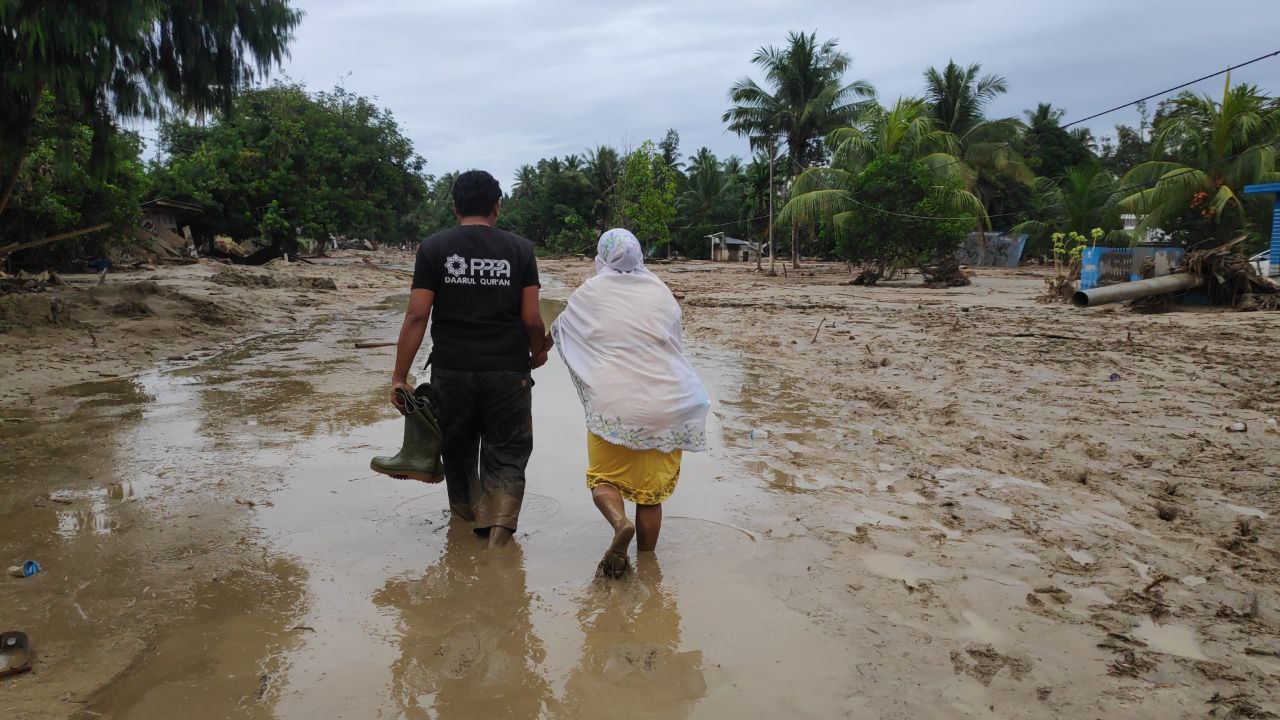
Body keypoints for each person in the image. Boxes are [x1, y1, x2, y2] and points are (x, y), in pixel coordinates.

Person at [390, 170, 550, 548]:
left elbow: (416, 316)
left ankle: (465, 527)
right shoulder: (520, 250)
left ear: (456, 206)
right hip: (508, 373)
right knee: (508, 454)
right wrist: (538, 351)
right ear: (497, 205)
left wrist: (399, 376)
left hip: (452, 372)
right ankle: (497, 534)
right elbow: (531, 318)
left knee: (458, 452)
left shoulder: (433, 248)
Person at [551, 229, 710, 577]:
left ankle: (620, 522)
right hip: (668, 402)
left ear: (601, 258)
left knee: (603, 480)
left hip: (615, 404)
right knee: (651, 497)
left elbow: (561, 330)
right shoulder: (660, 291)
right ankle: (648, 565)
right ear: (639, 255)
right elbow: (674, 342)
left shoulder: (589, 292)